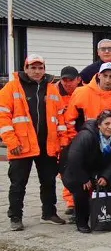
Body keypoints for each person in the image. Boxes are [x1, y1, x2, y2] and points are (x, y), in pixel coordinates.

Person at [0, 55, 67, 230]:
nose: (37, 71)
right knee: (18, 183)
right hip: (21, 146)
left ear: (44, 69)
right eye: (33, 67)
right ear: (25, 68)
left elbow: (60, 117)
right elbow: (3, 117)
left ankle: (49, 213)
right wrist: (11, 142)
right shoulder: (12, 87)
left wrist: (62, 141)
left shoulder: (52, 88)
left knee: (48, 181)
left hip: (47, 145)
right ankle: (15, 216)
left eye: (40, 68)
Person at [62, 110, 111, 234]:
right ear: (99, 125)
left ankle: (101, 214)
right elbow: (74, 158)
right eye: (107, 124)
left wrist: (105, 177)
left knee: (108, 183)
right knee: (81, 191)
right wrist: (84, 178)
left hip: (95, 168)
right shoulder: (86, 136)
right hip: (74, 169)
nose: (110, 127)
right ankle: (81, 222)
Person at [64, 62, 111, 141]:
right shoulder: (80, 92)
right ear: (99, 75)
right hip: (86, 140)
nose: (107, 80)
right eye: (105, 76)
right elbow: (69, 120)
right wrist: (76, 139)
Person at [57, 66, 81, 216]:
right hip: (61, 140)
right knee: (65, 172)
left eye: (70, 80)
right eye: (64, 80)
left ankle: (82, 199)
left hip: (79, 138)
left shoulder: (83, 92)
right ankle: (71, 202)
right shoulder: (54, 94)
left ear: (78, 79)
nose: (67, 83)